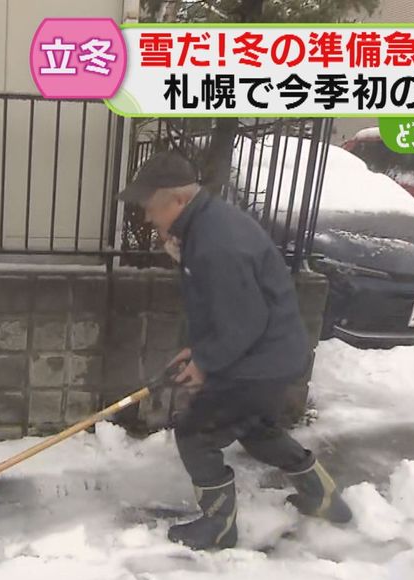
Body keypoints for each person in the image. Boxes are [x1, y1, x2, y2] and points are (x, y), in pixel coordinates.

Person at [118, 151, 351, 551]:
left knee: (196, 433)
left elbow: (243, 321)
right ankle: (324, 497)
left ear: (176, 200)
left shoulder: (214, 242)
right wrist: (197, 350)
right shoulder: (205, 228)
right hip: (270, 353)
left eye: (150, 206)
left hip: (260, 358)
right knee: (257, 430)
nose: (147, 217)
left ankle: (220, 527)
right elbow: (224, 309)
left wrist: (207, 362)